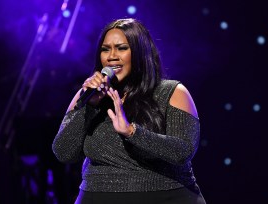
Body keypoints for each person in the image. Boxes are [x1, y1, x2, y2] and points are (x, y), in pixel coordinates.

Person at [52, 18, 206, 204]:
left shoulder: (171, 92)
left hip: (164, 196)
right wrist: (90, 107)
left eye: (122, 48)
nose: (111, 56)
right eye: (105, 49)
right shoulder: (88, 95)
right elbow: (63, 152)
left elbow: (183, 151)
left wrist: (132, 132)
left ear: (140, 53)